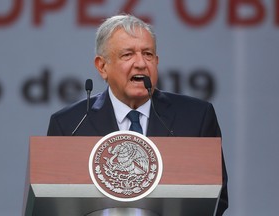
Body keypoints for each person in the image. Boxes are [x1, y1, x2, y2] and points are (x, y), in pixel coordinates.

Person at [47, 14, 228, 215]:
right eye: (128, 55)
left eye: (148, 54)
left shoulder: (196, 117)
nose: (141, 63)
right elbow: (52, 202)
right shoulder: (70, 125)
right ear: (102, 66)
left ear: (157, 62)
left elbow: (218, 197)